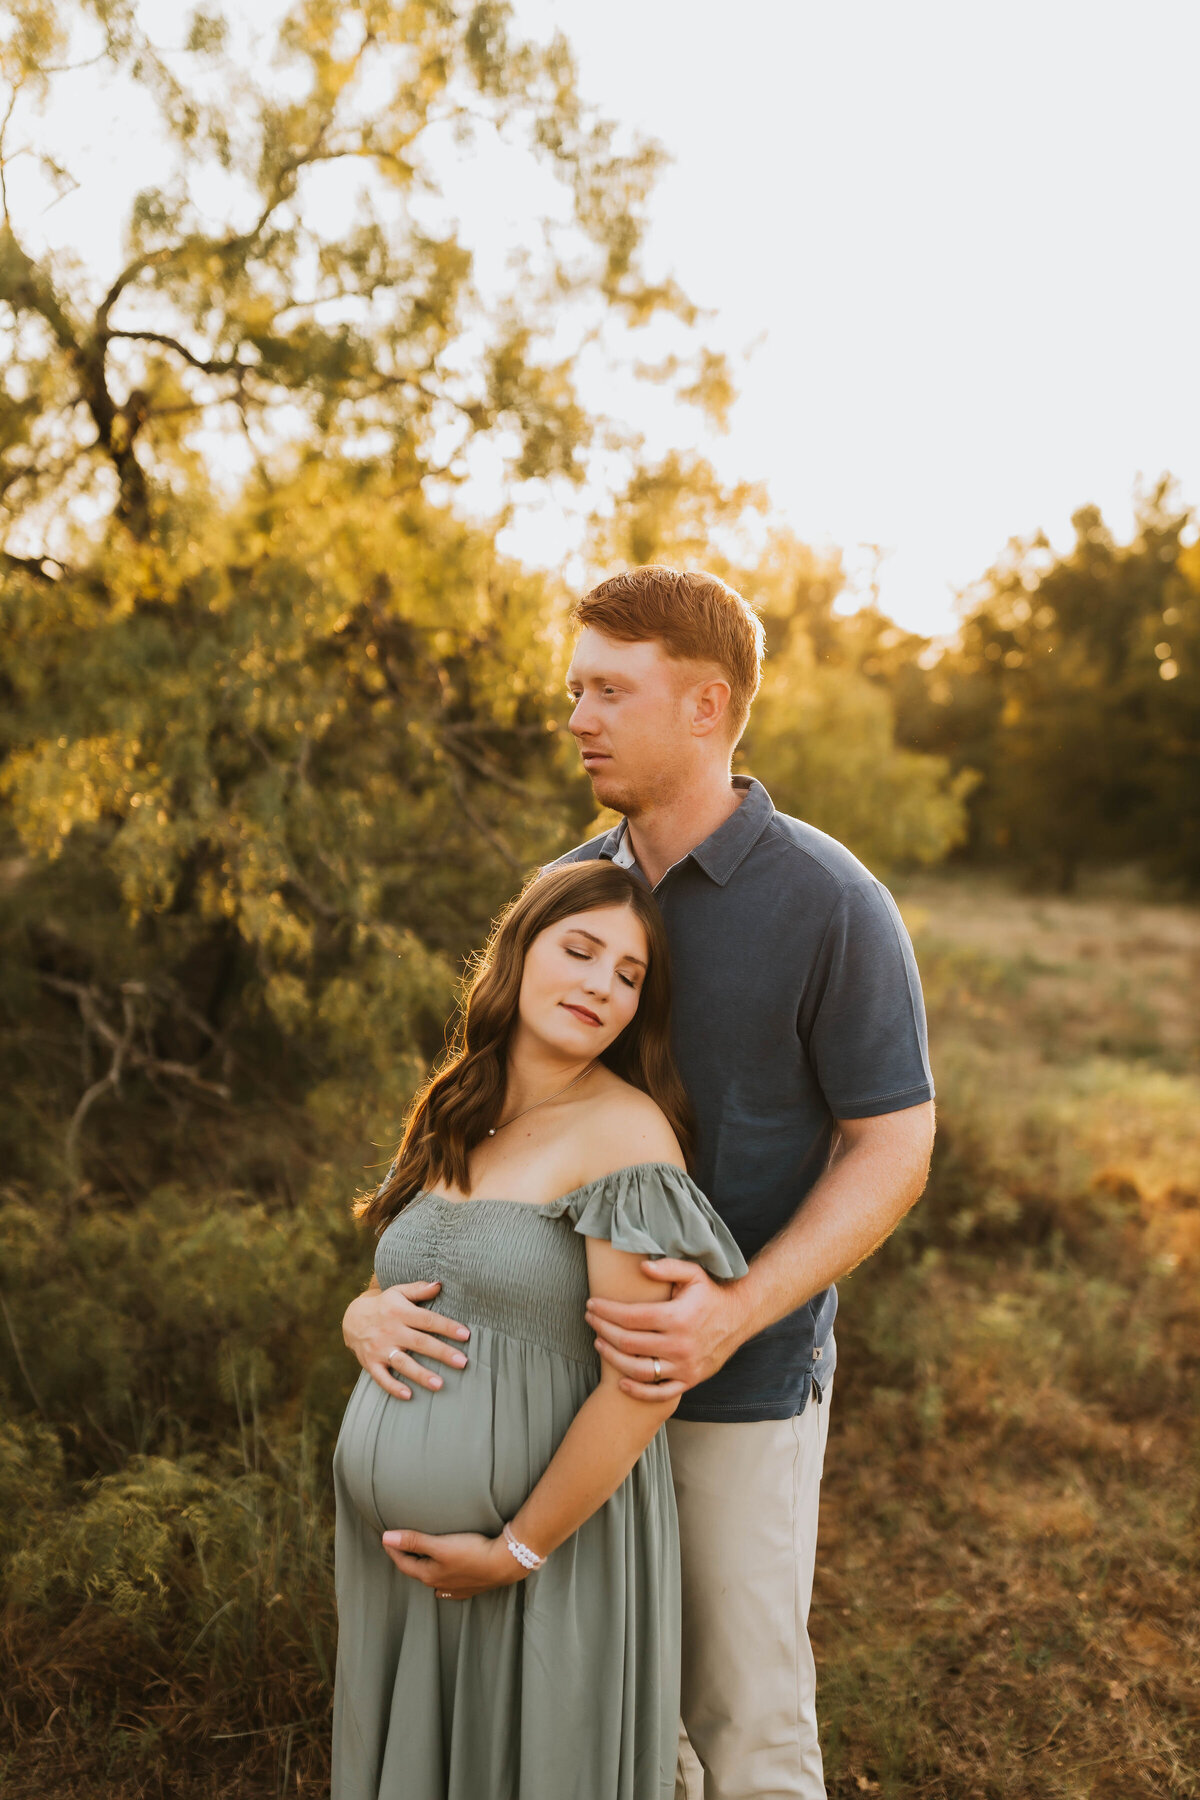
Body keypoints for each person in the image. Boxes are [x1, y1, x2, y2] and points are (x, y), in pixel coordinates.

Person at [344, 565, 936, 1800]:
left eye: (610, 690)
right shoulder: (580, 890)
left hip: (740, 1383)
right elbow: (490, 1120)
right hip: (558, 1392)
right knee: (611, 1716)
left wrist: (732, 1310)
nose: (577, 718)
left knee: (743, 1718)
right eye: (576, 689)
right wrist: (375, 1300)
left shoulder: (832, 904)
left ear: (708, 706)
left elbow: (893, 1142)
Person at [332, 858, 747, 1800]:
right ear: (518, 953)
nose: (602, 985)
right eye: (582, 950)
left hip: (540, 1560)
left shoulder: (627, 1138)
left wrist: (516, 1548)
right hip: (400, 1574)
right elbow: (410, 1283)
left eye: (629, 975)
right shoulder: (456, 1105)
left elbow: (646, 1383)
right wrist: (360, 1317)